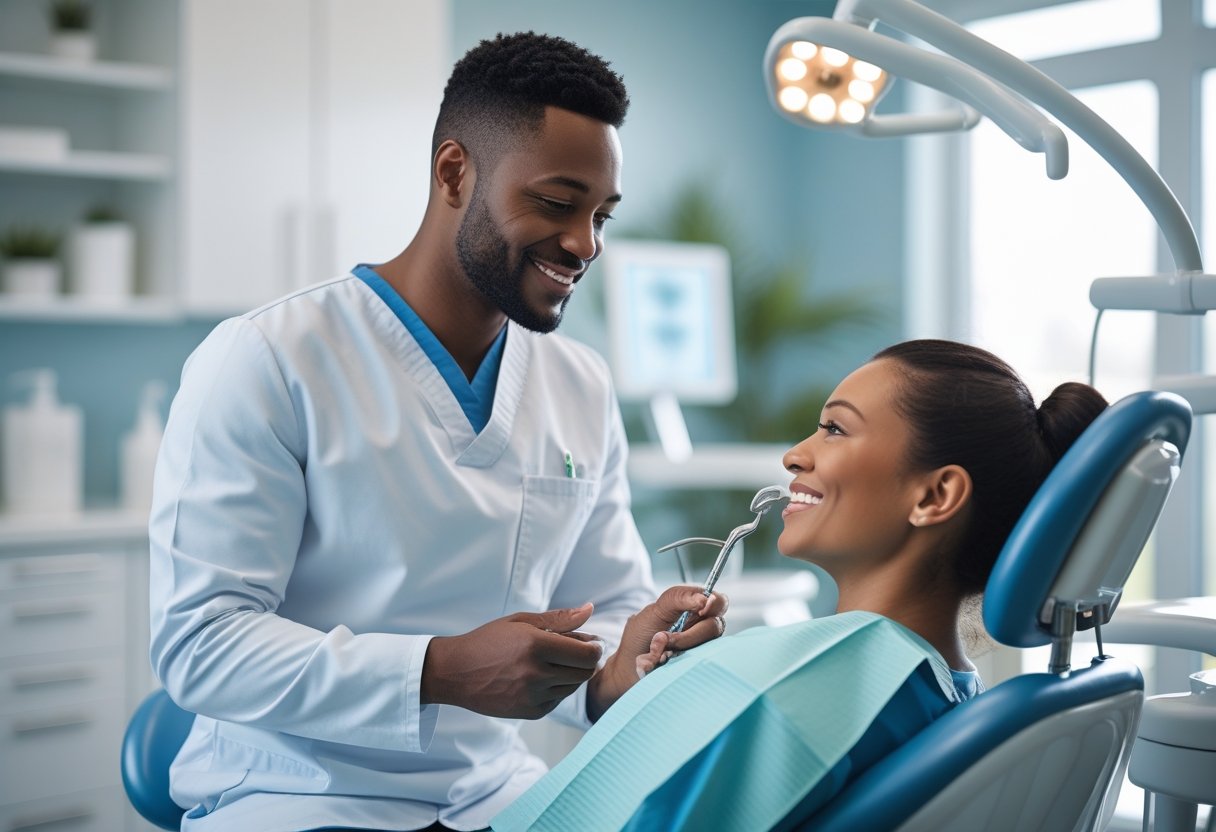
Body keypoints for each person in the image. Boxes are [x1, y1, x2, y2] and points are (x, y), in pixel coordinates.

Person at [148, 32, 727, 832]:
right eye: (558, 204)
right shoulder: (270, 359)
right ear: (455, 172)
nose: (585, 244)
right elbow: (200, 645)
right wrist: (440, 670)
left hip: (496, 795)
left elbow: (604, 603)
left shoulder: (579, 384)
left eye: (602, 216)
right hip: (295, 799)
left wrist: (625, 665)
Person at [492, 339, 1110, 832]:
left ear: (935, 495)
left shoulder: (824, 680)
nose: (794, 454)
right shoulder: (935, 686)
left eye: (835, 430)